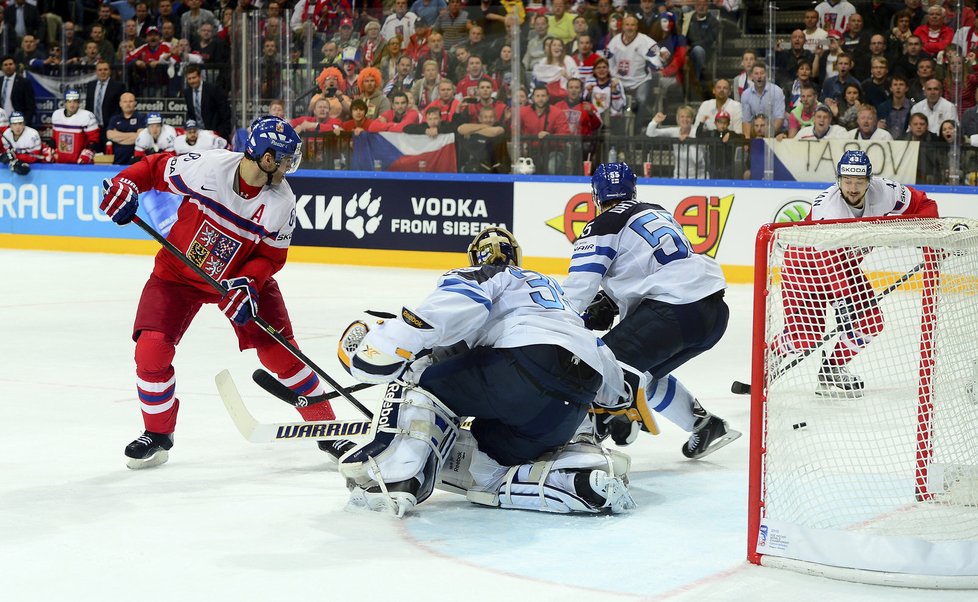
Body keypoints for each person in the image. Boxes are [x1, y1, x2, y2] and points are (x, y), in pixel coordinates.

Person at [334, 226, 633, 517]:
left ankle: (395, 478)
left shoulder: (489, 274)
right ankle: (574, 481)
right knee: (487, 469)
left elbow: (454, 307)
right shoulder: (558, 297)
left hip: (524, 369)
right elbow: (609, 380)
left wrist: (391, 345)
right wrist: (618, 403)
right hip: (573, 402)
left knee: (420, 380)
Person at [98, 116, 337, 469]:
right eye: (286, 159)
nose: (289, 167)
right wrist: (124, 186)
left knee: (281, 355)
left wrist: (250, 283)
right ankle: (158, 433)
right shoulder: (208, 167)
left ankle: (331, 430)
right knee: (151, 350)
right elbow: (152, 169)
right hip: (178, 274)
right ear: (267, 159)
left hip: (236, 280)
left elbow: (272, 256)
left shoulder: (282, 202)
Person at [561, 163, 740, 459]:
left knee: (598, 366)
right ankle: (704, 425)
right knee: (643, 374)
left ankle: (588, 443)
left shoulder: (602, 224)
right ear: (633, 189)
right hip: (713, 313)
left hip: (674, 311)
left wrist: (560, 322)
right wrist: (611, 300)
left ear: (596, 196)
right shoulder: (655, 211)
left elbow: (577, 291)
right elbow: (653, 268)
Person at [769, 150, 939, 397]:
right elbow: (825, 260)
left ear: (870, 180)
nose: (853, 187)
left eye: (859, 181)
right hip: (804, 268)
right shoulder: (828, 211)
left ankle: (832, 368)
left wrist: (934, 244)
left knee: (870, 322)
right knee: (806, 336)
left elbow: (923, 205)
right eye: (847, 181)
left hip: (844, 265)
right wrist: (844, 301)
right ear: (838, 180)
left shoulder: (886, 192)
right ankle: (772, 354)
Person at [51, 89, 99, 164]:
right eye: (69, 101)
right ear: (65, 103)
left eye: (75, 101)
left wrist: (87, 152)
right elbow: (54, 138)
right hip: (60, 161)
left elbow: (93, 139)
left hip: (80, 162)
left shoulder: (87, 116)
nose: (72, 105)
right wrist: (51, 151)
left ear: (79, 103)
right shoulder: (56, 115)